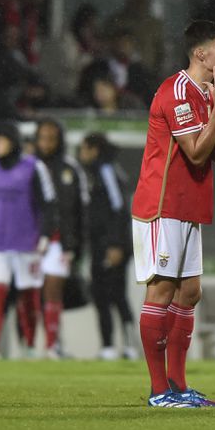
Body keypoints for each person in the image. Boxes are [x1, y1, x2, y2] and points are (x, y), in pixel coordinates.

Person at [131, 20, 215, 407]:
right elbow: (197, 152)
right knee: (162, 290)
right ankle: (158, 391)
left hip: (189, 208)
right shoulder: (177, 92)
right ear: (201, 54)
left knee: (189, 293)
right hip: (163, 206)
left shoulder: (204, 93)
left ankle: (179, 387)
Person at [0, 122, 58, 360]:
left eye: (1, 140)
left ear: (13, 142)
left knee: (28, 299)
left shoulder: (33, 167)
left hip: (26, 243)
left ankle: (29, 346)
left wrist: (45, 234)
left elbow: (48, 203)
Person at [33, 118, 88, 360]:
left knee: (52, 290)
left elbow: (82, 209)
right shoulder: (27, 166)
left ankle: (51, 344)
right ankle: (29, 343)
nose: (46, 143)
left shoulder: (71, 168)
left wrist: (76, 244)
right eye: (42, 138)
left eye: (51, 138)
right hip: (28, 240)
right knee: (29, 295)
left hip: (59, 243)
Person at [78, 133, 136, 360]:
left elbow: (119, 208)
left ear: (94, 150)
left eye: (84, 148)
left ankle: (130, 346)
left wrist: (115, 244)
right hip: (99, 243)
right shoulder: (99, 171)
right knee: (101, 295)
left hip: (112, 244)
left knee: (117, 295)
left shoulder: (106, 170)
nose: (81, 154)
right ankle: (108, 347)